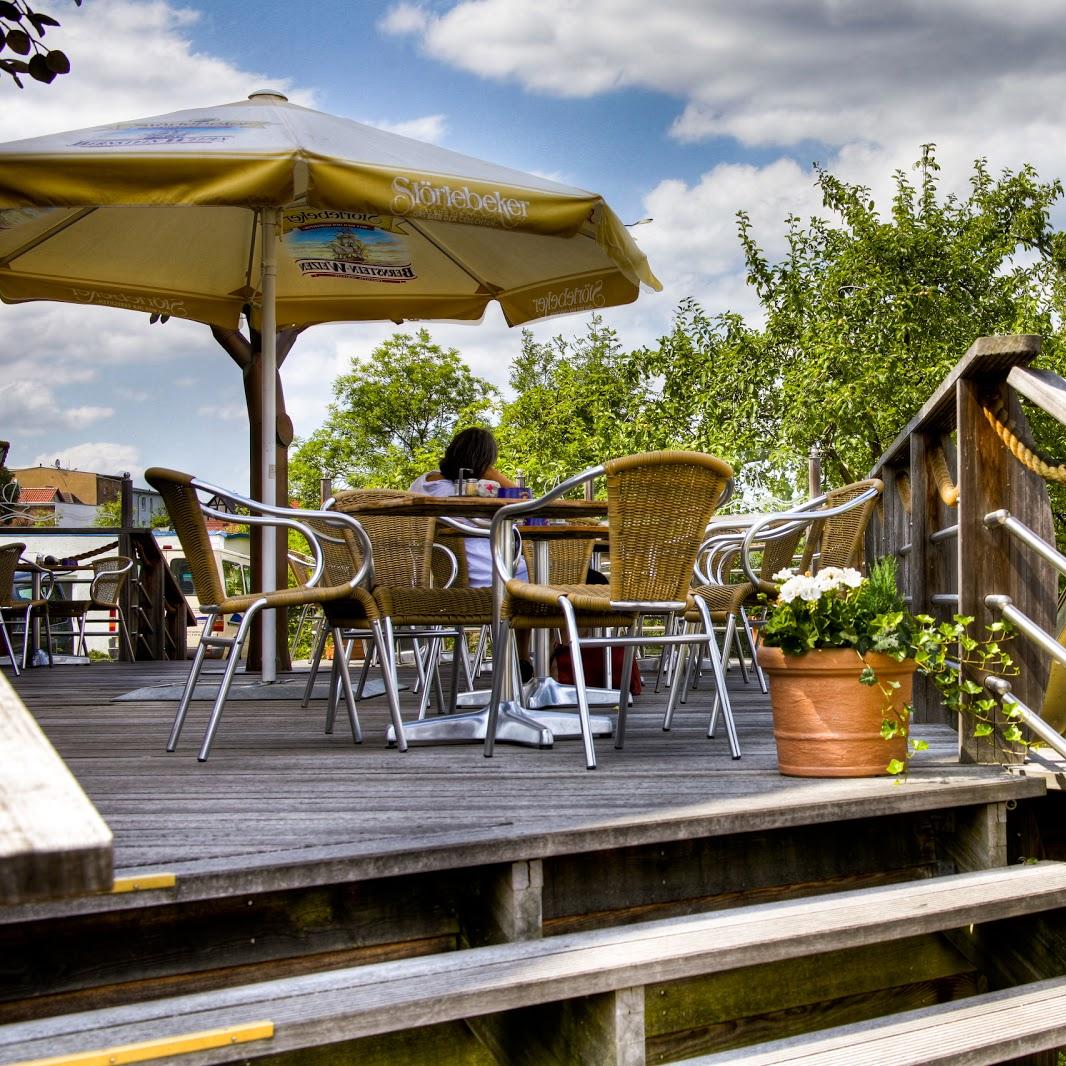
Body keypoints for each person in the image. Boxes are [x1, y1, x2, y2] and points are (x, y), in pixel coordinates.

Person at [410, 427, 533, 678]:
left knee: (534, 575)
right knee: (558, 578)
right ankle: (544, 665)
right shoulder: (475, 493)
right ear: (483, 461)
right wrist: (496, 475)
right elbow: (529, 507)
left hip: (447, 581)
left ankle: (525, 662)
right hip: (491, 579)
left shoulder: (422, 485)